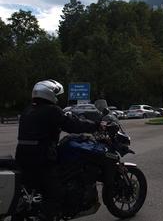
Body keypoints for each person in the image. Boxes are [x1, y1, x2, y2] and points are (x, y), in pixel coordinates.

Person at [15, 80, 100, 221]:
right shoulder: (51, 110)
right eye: (56, 94)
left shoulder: (27, 110)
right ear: (48, 93)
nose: (57, 98)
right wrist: (95, 125)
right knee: (56, 194)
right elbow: (73, 125)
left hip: (23, 158)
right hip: (41, 159)